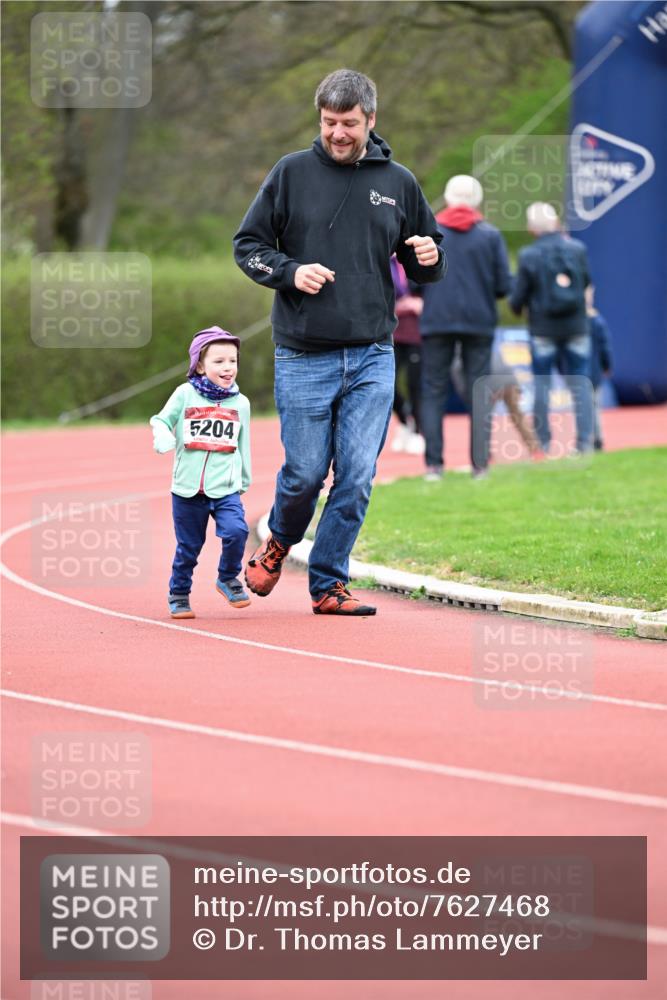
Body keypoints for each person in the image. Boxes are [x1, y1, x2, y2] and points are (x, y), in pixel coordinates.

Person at [233, 68, 445, 616]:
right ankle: (280, 539)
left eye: (349, 123)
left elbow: (425, 261)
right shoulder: (290, 173)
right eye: (329, 122)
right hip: (304, 352)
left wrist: (430, 255)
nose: (338, 133)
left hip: (373, 353)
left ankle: (328, 583)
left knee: (356, 475)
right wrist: (290, 272)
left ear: (370, 119)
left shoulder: (399, 182)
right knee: (305, 474)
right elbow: (248, 246)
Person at [150, 326, 251, 619]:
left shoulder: (241, 403)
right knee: (189, 547)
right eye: (219, 361)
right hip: (187, 489)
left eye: (232, 360)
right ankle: (179, 593)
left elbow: (244, 442)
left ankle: (228, 577)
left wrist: (244, 478)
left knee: (237, 531)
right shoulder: (184, 394)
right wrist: (163, 436)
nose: (228, 367)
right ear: (200, 366)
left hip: (226, 488)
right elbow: (160, 420)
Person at [419, 174, 511, 481]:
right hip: (478, 320)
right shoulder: (490, 235)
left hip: (437, 319)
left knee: (433, 390)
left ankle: (434, 466)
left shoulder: (432, 234)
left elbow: (416, 279)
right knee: (479, 390)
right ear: (477, 200)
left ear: (447, 198)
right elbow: (503, 285)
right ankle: (480, 465)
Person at [509, 202, 594, 456]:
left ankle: (543, 444)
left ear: (532, 228)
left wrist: (517, 308)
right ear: (556, 222)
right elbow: (586, 282)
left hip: (543, 328)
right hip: (576, 325)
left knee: (542, 386)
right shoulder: (577, 249)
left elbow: (519, 294)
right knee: (581, 384)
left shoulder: (529, 255)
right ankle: (584, 443)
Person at [389, 255, 425, 454]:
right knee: (388, 384)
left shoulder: (416, 258)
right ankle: (404, 420)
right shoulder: (382, 260)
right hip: (391, 333)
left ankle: (418, 432)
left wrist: (420, 303)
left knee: (414, 384)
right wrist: (399, 306)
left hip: (417, 333)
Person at [586, 285, 614, 451]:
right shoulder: (597, 321)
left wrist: (607, 364)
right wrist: (607, 365)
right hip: (592, 371)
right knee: (593, 406)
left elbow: (605, 347)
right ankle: (595, 439)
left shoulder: (595, 321)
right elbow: (605, 347)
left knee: (588, 406)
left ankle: (592, 439)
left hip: (589, 372)